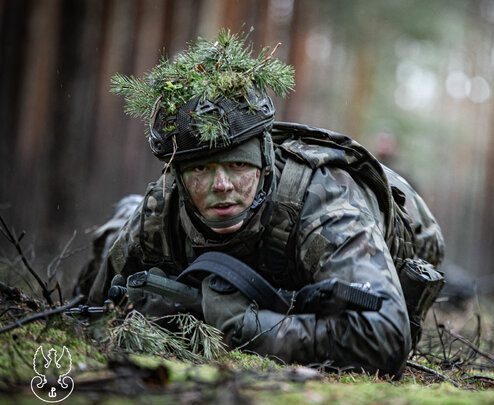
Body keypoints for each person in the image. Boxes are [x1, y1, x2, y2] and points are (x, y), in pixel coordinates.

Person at [81, 31, 445, 377]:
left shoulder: (325, 205)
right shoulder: (161, 208)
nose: (221, 185)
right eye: (202, 169)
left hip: (399, 236)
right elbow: (85, 314)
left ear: (264, 162)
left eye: (238, 165)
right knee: (126, 224)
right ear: (176, 175)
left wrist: (248, 329)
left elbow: (387, 339)